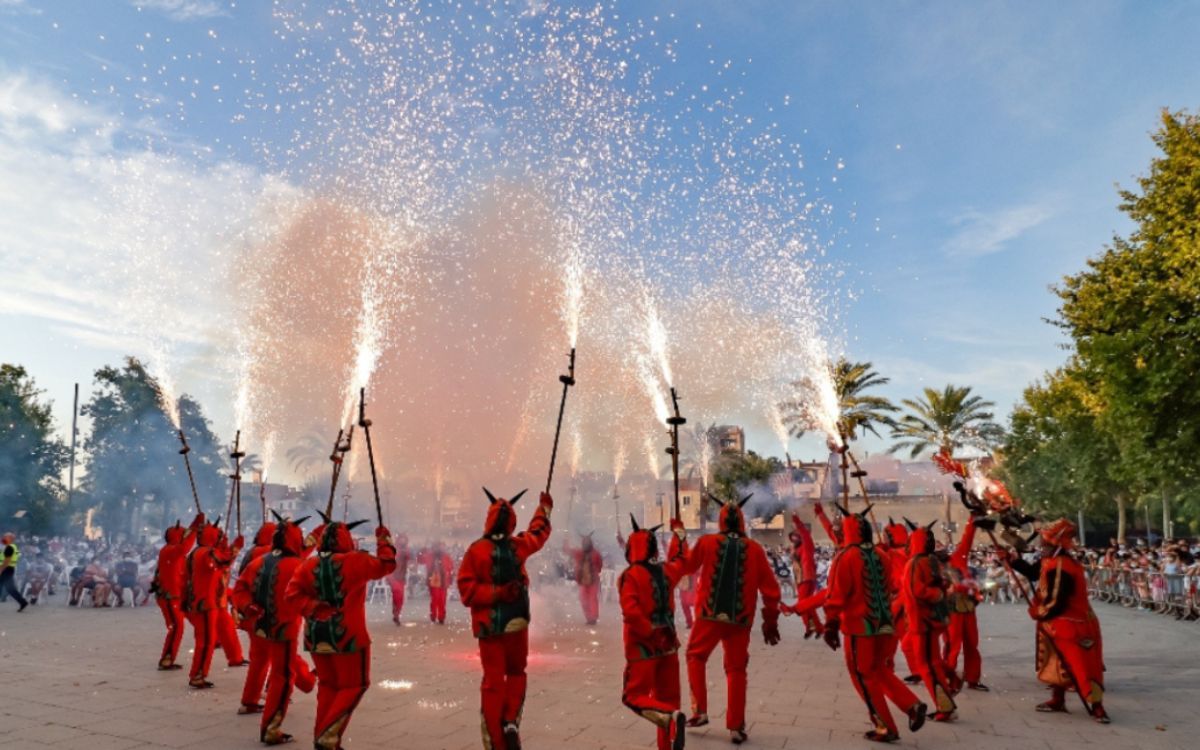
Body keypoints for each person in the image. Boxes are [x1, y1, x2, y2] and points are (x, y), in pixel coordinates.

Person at [678, 494, 782, 745]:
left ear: (721, 520)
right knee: (736, 669)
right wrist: (770, 620)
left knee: (695, 656)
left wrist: (680, 540)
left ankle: (699, 711)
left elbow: (686, 566)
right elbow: (771, 589)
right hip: (740, 619)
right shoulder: (755, 549)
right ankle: (736, 726)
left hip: (708, 616)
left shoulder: (706, 542)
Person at [285, 514, 396, 750]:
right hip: (349, 637)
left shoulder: (307, 564)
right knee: (355, 685)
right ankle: (328, 736)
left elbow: (291, 596)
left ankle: (322, 738)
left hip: (315, 636)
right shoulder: (355, 561)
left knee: (328, 687)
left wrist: (313, 608)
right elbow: (387, 565)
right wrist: (384, 540)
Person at [456, 488, 553, 750]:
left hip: (490, 628)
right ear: (511, 522)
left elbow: (467, 591)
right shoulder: (518, 546)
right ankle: (511, 720)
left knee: (492, 682)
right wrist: (543, 509)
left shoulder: (475, 551)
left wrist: (494, 593)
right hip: (517, 623)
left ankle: (495, 741)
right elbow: (538, 534)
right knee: (517, 673)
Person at [822, 504, 926, 743]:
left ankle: (885, 726)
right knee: (879, 670)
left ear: (848, 531)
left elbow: (836, 595)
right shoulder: (882, 555)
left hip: (860, 628)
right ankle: (911, 704)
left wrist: (830, 623)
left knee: (862, 675)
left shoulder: (845, 557)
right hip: (885, 624)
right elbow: (890, 587)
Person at [1005, 518, 1110, 723]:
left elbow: (1056, 601)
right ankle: (1058, 699)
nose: (1040, 545)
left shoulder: (1062, 565)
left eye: (1044, 541)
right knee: (1055, 662)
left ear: (1054, 543)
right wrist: (1012, 560)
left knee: (1082, 666)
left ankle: (1097, 706)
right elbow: (1033, 574)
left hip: (1072, 622)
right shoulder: (1049, 560)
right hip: (1059, 621)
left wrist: (1039, 612)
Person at [233, 515, 318, 745]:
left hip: (259, 627)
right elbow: (310, 596)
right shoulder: (297, 565)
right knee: (283, 677)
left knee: (260, 663)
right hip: (284, 630)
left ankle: (250, 701)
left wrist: (248, 607)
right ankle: (271, 727)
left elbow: (239, 588)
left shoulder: (260, 560)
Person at [618, 516, 689, 750]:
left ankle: (670, 718)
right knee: (669, 698)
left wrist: (648, 632)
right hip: (669, 644)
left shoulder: (630, 576)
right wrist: (679, 534)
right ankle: (668, 737)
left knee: (633, 695)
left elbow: (631, 612)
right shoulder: (667, 570)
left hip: (644, 648)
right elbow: (681, 560)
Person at [900, 520, 957, 721]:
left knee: (927, 665)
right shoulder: (931, 560)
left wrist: (937, 595)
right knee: (932, 661)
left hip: (922, 621)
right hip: (932, 620)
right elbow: (943, 583)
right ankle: (952, 685)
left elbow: (917, 591)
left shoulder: (915, 563)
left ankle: (945, 706)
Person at [183, 519, 244, 688]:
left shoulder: (196, 552)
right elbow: (223, 561)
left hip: (207, 602)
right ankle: (197, 675)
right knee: (206, 641)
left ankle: (234, 658)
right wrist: (235, 548)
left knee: (221, 631)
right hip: (206, 604)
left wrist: (228, 546)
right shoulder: (206, 553)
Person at [233, 518, 280, 714]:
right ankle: (291, 687)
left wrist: (236, 547)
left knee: (260, 659)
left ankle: (251, 699)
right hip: (270, 617)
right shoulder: (269, 555)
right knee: (285, 660)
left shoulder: (253, 553)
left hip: (251, 614)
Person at [151, 515, 203, 670]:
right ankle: (166, 659)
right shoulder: (171, 550)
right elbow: (185, 546)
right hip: (169, 597)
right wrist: (194, 528)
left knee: (182, 625)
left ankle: (169, 657)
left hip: (176, 596)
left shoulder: (171, 551)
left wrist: (195, 524)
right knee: (176, 627)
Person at [944, 515, 988, 690]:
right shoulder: (932, 565)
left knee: (972, 644)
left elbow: (967, 539)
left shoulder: (957, 558)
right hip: (952, 610)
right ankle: (948, 677)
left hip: (968, 608)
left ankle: (972, 678)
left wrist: (973, 519)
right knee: (952, 645)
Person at [788, 514, 822, 637]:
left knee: (802, 604)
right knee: (807, 604)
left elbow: (805, 533)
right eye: (792, 538)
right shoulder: (795, 550)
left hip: (807, 577)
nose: (794, 539)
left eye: (796, 536)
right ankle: (815, 628)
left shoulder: (807, 545)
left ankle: (813, 627)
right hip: (800, 579)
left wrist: (797, 521)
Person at [564, 531, 603, 625]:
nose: (585, 544)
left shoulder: (596, 553)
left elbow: (600, 565)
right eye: (584, 542)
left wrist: (594, 573)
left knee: (592, 599)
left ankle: (593, 618)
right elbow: (567, 550)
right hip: (582, 581)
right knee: (583, 599)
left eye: (587, 542)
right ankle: (589, 618)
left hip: (593, 580)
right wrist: (566, 539)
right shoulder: (579, 553)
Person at [422, 540, 454, 625]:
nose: (440, 548)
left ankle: (441, 617)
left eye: (442, 546)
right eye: (438, 546)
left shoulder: (446, 557)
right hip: (434, 580)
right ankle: (433, 616)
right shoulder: (430, 556)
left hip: (444, 581)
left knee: (442, 600)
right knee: (435, 599)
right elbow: (422, 560)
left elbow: (451, 568)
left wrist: (450, 578)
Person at [387, 533, 412, 624]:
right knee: (397, 594)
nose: (403, 541)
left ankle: (396, 613)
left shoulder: (406, 550)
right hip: (393, 575)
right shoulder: (393, 548)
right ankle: (396, 613)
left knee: (400, 597)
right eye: (402, 539)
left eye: (404, 539)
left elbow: (409, 558)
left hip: (401, 576)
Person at [1, 532, 28, 612]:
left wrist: (1, 570)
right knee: (10, 588)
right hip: (9, 569)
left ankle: (22, 602)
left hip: (6, 569)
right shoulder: (11, 547)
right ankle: (23, 602)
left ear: (10, 538)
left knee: (10, 588)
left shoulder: (9, 547)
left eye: (5, 536)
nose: (3, 537)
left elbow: (7, 560)